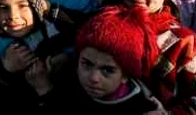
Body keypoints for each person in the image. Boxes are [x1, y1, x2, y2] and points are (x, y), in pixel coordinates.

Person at [25, 6, 167, 113]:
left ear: (126, 74)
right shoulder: (69, 83)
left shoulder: (142, 108)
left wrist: (45, 91)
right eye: (86, 64)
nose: (93, 78)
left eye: (107, 70)